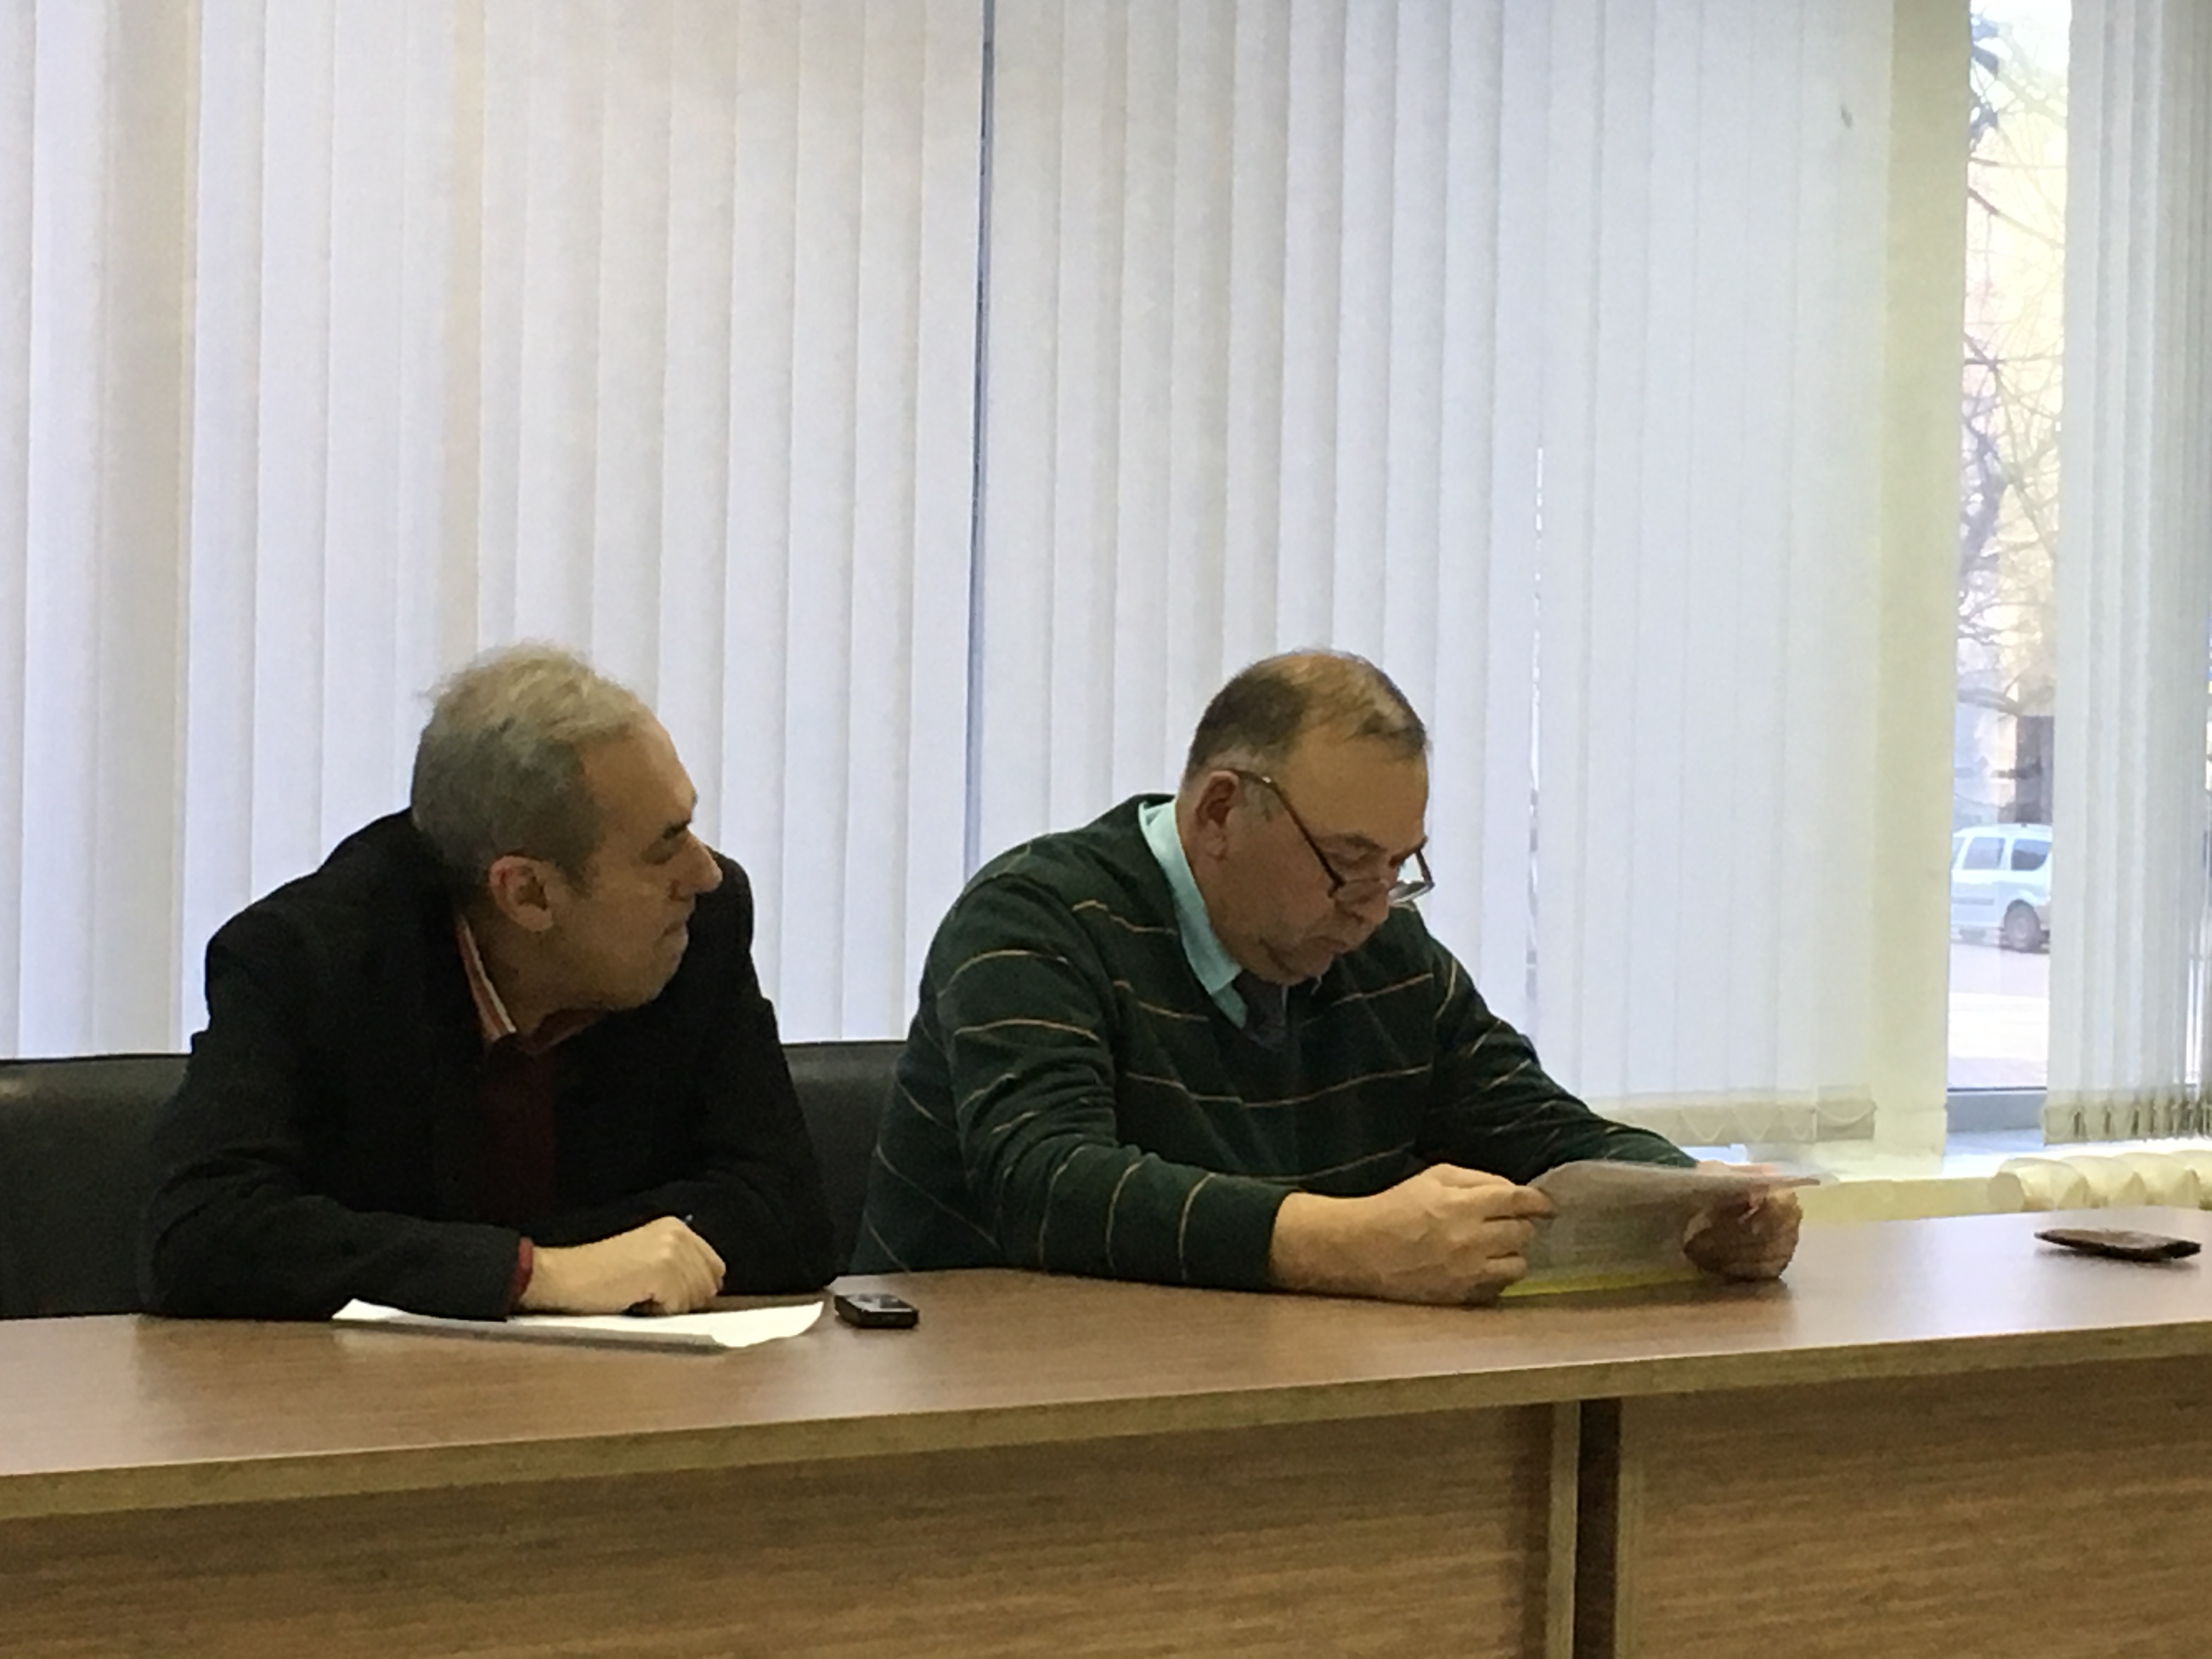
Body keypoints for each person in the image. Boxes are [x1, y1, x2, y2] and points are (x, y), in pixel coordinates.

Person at [855, 651, 1799, 1302]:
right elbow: (1047, 1183)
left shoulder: (1382, 952)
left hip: (1270, 1382)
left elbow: (1540, 1129)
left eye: (1398, 865)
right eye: (1346, 861)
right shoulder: (1034, 917)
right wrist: (1345, 1242)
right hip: (987, 1397)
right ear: (1220, 812)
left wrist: (1696, 1199)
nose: (1372, 905)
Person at [141, 644, 834, 1321]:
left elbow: (785, 1218)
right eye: (665, 847)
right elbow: (199, 1234)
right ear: (527, 893)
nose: (705, 872)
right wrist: (533, 1272)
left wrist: (542, 1265)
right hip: (365, 1389)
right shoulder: (309, 958)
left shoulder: (700, 926)